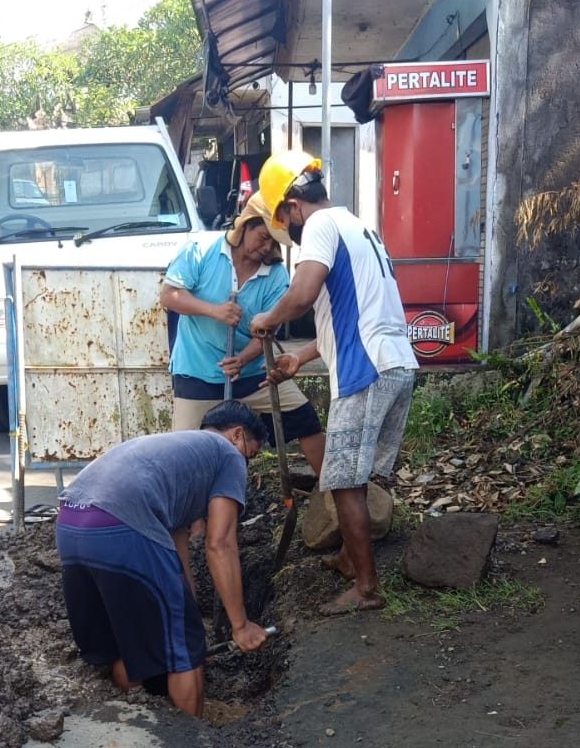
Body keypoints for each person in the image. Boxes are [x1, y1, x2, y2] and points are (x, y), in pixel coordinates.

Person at [249, 151, 417, 616]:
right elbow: (353, 317)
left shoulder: (320, 227)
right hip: (397, 363)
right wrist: (300, 356)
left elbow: (302, 296)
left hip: (366, 372)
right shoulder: (360, 227)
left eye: (284, 220)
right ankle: (348, 557)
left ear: (292, 208)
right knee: (356, 476)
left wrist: (267, 318)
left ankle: (366, 590)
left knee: (344, 482)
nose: (289, 230)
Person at [55, 402, 270, 718]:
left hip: (71, 525)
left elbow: (176, 559)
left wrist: (189, 627)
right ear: (238, 436)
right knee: (185, 657)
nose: (245, 466)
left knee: (126, 644)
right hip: (122, 526)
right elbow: (220, 544)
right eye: (250, 455)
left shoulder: (176, 456)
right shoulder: (228, 455)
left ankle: (147, 734)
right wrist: (240, 626)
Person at [161, 191, 325, 476]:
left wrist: (243, 359)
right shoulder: (200, 250)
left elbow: (267, 331)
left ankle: (332, 491)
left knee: (303, 416)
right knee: (183, 451)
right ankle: (189, 512)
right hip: (197, 371)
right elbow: (170, 296)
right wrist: (215, 311)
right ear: (246, 225)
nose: (267, 248)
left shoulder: (276, 275)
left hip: (251, 374)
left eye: (274, 242)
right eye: (263, 237)